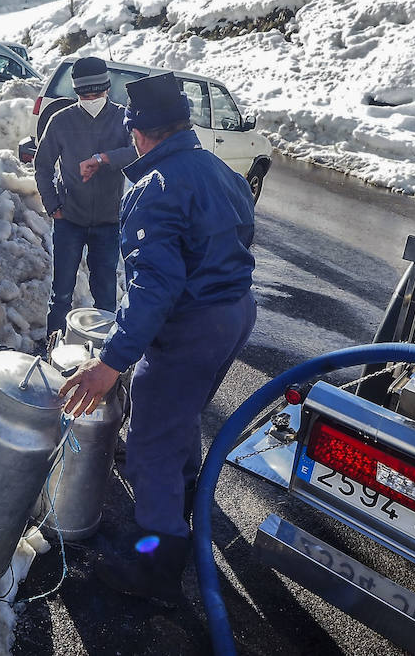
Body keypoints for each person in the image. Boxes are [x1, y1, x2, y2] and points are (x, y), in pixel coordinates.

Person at [59, 71, 257, 605]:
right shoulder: (218, 170)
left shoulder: (156, 190)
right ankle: (186, 496)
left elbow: (154, 288)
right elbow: (241, 236)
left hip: (191, 325)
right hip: (236, 311)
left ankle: (156, 566)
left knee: (149, 439)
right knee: (181, 412)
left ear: (140, 132)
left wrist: (111, 363)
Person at [34, 56, 137, 341]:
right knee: (62, 292)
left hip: (108, 222)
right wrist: (53, 205)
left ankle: (103, 354)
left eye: (97, 93)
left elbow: (137, 151)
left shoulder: (122, 118)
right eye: (85, 94)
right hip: (69, 220)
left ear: (107, 89)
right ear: (76, 93)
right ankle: (53, 347)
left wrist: (104, 158)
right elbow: (42, 165)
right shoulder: (60, 121)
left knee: (105, 293)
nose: (91, 98)